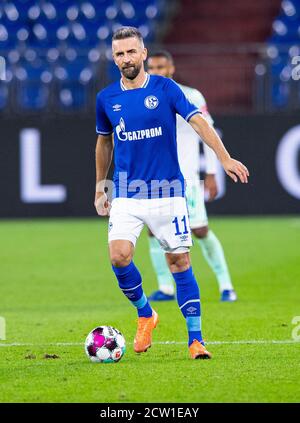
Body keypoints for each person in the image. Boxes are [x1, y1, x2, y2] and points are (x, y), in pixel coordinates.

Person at [94, 27, 249, 359]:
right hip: (126, 194)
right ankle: (146, 313)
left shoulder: (166, 88)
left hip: (168, 192)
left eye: (131, 52)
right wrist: (99, 185)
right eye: (119, 54)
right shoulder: (106, 98)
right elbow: (103, 141)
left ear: (144, 53)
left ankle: (195, 340)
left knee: (179, 262)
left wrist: (224, 158)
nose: (125, 59)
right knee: (118, 257)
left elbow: (198, 122)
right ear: (113, 57)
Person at [146, 51, 237, 303]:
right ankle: (165, 288)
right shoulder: (141, 98)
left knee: (199, 230)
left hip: (186, 179)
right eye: (151, 67)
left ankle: (226, 285)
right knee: (154, 231)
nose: (155, 72)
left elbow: (207, 133)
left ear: (171, 68)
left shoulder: (191, 95)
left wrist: (210, 171)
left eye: (161, 67)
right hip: (154, 179)